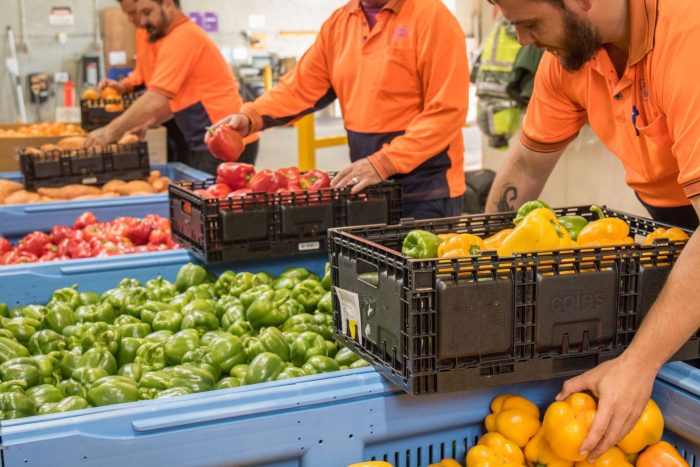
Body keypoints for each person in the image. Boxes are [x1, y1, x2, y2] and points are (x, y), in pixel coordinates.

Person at [483, 0, 700, 461]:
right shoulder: (571, 58)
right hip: (675, 223)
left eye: (530, 24)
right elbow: (527, 163)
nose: (522, 40)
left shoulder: (688, 39)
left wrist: (639, 364)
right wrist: (484, 277)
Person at [208, 0, 469, 219]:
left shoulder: (433, 18)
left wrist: (384, 162)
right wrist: (250, 116)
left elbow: (447, 110)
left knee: (424, 279)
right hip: (369, 185)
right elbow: (300, 88)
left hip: (427, 190)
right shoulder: (339, 24)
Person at [85, 0, 258, 172]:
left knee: (207, 196)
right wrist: (149, 121)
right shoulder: (166, 36)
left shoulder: (183, 37)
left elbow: (156, 97)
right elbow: (176, 97)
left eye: (147, 12)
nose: (142, 21)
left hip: (227, 139)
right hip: (206, 137)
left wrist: (109, 132)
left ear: (168, 4)